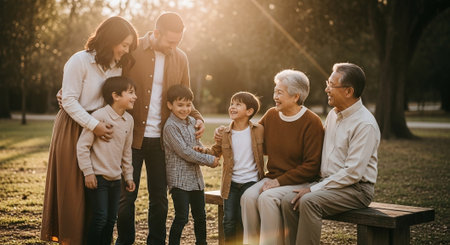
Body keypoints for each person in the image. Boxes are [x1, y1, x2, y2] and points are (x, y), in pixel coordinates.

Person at [41, 16, 138, 245]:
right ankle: (73, 239)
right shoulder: (79, 60)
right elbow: (69, 100)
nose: (126, 50)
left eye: (129, 46)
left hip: (102, 130)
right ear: (110, 39)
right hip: (74, 127)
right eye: (123, 44)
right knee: (75, 191)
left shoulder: (118, 67)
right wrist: (93, 125)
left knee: (97, 193)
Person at [116, 12, 205, 245]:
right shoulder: (132, 51)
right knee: (126, 198)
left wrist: (197, 116)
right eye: (170, 41)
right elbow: (113, 84)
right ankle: (124, 241)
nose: (174, 46)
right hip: (130, 137)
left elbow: (185, 94)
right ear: (156, 33)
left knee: (159, 199)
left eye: (178, 42)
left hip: (162, 141)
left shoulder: (181, 58)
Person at [281, 63, 380, 245]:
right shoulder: (334, 114)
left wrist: (312, 189)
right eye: (328, 82)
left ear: (348, 91)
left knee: (309, 201)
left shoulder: (364, 124)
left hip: (356, 189)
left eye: (331, 85)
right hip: (328, 183)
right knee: (289, 201)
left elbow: (352, 173)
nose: (326, 89)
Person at [237, 69, 324, 245]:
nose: (275, 96)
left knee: (267, 198)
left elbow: (312, 166)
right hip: (274, 177)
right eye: (275, 91)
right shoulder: (271, 115)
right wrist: (226, 132)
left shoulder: (311, 121)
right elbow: (253, 138)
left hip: (302, 181)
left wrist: (279, 182)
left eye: (280, 92)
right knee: (247, 197)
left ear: (295, 96)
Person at [197, 91, 265, 245]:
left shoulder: (259, 130)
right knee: (228, 220)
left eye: (238, 104)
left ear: (249, 111)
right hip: (231, 184)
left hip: (251, 183)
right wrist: (204, 151)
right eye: (232, 104)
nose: (232, 107)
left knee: (242, 220)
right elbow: (215, 151)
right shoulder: (225, 133)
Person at [76, 76, 137, 245]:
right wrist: (88, 173)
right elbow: (83, 147)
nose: (135, 97)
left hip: (116, 179)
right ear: (116, 95)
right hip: (98, 179)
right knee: (100, 218)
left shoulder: (129, 120)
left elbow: (126, 151)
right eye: (131, 93)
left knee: (111, 220)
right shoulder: (99, 116)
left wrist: (129, 176)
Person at [163, 84, 219, 245]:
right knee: (182, 217)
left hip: (196, 179)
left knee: (200, 216)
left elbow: (196, 144)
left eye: (188, 105)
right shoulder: (170, 127)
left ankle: (201, 243)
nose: (185, 109)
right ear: (170, 105)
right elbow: (185, 152)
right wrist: (209, 161)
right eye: (180, 105)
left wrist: (205, 151)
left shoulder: (192, 121)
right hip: (179, 180)